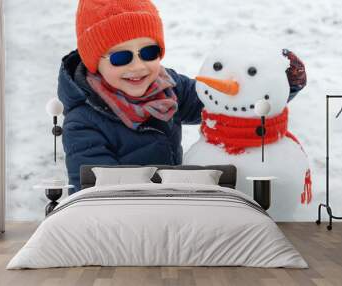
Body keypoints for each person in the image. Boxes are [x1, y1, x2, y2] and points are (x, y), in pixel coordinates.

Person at [57, 0, 306, 195]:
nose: (138, 66)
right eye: (120, 58)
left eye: (148, 52)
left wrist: (279, 83)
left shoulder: (167, 87)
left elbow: (221, 102)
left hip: (172, 208)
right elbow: (95, 196)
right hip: (121, 222)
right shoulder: (84, 122)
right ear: (93, 63)